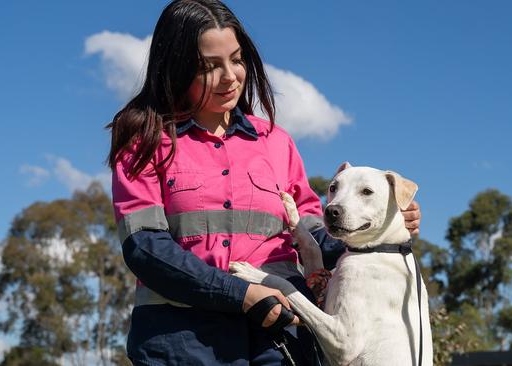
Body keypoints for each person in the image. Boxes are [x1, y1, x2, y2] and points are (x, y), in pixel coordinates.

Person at [107, 0, 422, 365]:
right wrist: (240, 293)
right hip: (180, 341)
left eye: (237, 59)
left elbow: (316, 233)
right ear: (176, 69)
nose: (230, 77)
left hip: (278, 343)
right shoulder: (144, 142)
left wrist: (383, 223)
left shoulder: (277, 143)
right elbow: (145, 248)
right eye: (209, 67)